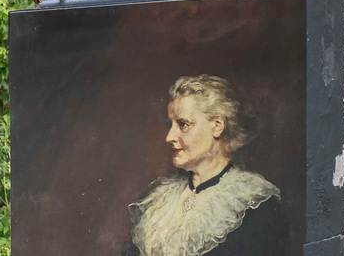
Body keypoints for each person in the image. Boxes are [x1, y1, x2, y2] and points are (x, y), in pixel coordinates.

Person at [124, 75, 290, 256]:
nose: (169, 137)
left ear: (217, 126)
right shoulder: (157, 202)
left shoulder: (253, 204)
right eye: (170, 125)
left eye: (183, 124)